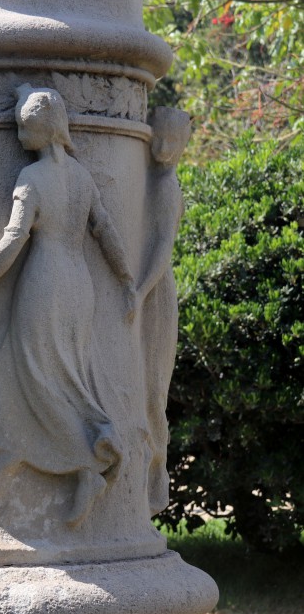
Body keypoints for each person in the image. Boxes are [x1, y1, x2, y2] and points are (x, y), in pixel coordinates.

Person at [0, 85, 135, 526]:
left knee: (41, 378)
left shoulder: (33, 179)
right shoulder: (81, 177)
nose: (19, 132)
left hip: (44, 282)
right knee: (53, 376)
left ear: (46, 129)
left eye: (25, 125)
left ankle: (89, 463)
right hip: (80, 285)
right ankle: (20, 459)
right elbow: (106, 231)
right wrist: (125, 279)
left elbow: (11, 243)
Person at [138, 107, 191, 514]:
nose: (165, 147)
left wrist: (139, 293)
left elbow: (161, 250)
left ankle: (156, 480)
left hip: (154, 293)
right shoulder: (147, 179)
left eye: (174, 140)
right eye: (161, 136)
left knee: (154, 391)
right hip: (144, 289)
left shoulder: (165, 186)